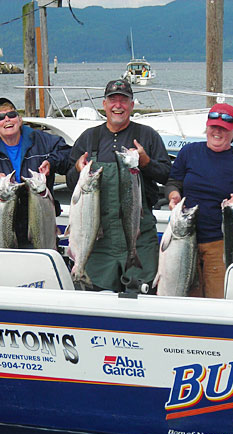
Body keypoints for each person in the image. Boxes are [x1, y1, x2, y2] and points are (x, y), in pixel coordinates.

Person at [66, 79, 171, 292]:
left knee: (142, 298)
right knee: (93, 296)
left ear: (132, 105)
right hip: (98, 239)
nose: (118, 105)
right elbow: (69, 184)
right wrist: (78, 169)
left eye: (124, 100)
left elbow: (167, 174)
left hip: (138, 236)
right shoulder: (89, 137)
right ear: (104, 104)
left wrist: (146, 162)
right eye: (113, 100)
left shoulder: (147, 135)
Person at [164, 102, 233, 298]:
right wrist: (173, 195)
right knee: (183, 297)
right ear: (207, 127)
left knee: (220, 300)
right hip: (184, 239)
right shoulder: (189, 152)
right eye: (213, 127)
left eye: (224, 129)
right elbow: (173, 182)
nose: (217, 132)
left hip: (221, 243)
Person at [0, 97, 71, 257]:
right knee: (2, 279)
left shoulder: (42, 140)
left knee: (41, 278)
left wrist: (51, 162)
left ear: (20, 119)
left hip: (40, 229)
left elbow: (68, 154)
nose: (7, 119)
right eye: (0, 117)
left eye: (12, 114)